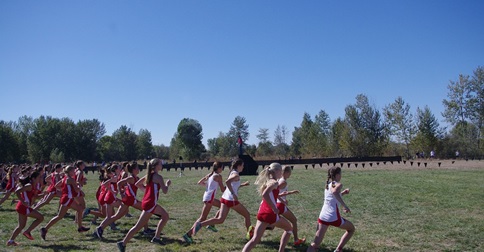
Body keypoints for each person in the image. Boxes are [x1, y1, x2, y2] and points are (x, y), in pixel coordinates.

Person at [189, 158, 253, 241]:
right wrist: (234, 195)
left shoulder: (232, 173)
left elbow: (233, 186)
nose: (243, 167)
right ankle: (251, 237)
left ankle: (201, 224)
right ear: (239, 166)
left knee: (220, 219)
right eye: (243, 165)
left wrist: (243, 185)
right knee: (247, 215)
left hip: (224, 198)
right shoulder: (236, 175)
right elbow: (228, 182)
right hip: (231, 200)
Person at [117, 158, 171, 252]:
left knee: (165, 216)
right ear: (156, 166)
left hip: (149, 202)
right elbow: (165, 191)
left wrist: (146, 191)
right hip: (150, 204)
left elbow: (138, 184)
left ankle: (156, 238)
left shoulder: (148, 175)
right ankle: (122, 243)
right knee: (138, 226)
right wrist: (167, 184)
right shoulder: (158, 177)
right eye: (160, 163)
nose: (162, 164)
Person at [94, 162, 154, 239]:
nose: (139, 169)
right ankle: (146, 229)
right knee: (145, 210)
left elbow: (142, 188)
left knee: (117, 216)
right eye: (137, 168)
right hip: (129, 199)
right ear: (134, 170)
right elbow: (119, 183)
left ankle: (100, 228)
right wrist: (122, 194)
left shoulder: (137, 178)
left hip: (129, 199)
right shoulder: (131, 178)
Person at [242, 163, 293, 252]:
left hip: (262, 212)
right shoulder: (274, 182)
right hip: (270, 213)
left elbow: (270, 195)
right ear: (277, 171)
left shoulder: (268, 181)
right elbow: (265, 194)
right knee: (289, 228)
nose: (282, 173)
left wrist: (281, 195)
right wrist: (274, 207)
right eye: (281, 171)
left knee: (255, 239)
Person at [307, 166, 355, 252]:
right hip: (333, 216)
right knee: (351, 229)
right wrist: (345, 206)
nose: (341, 176)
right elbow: (334, 192)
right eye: (340, 174)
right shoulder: (338, 184)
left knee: (315, 243)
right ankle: (338, 249)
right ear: (337, 175)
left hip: (323, 216)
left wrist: (343, 193)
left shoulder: (329, 184)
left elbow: (332, 196)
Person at [40, 165, 90, 240]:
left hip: (67, 198)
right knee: (60, 216)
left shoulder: (64, 178)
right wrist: (80, 185)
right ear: (69, 172)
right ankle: (44, 229)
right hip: (67, 199)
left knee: (80, 209)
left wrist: (64, 190)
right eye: (73, 171)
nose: (74, 172)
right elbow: (76, 190)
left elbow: (56, 185)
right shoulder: (71, 179)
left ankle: (80, 227)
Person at [182, 161, 226, 243]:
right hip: (209, 198)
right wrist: (231, 187)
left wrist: (206, 181)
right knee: (202, 218)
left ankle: (211, 224)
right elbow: (223, 189)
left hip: (208, 197)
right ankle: (188, 235)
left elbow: (200, 182)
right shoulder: (218, 176)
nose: (222, 169)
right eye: (222, 167)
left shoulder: (211, 175)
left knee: (223, 206)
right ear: (219, 168)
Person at [6, 171, 44, 246]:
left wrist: (44, 194)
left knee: (21, 226)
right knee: (40, 218)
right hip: (24, 207)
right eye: (39, 177)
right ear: (33, 178)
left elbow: (35, 197)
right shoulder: (29, 185)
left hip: (23, 207)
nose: (40, 179)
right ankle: (27, 232)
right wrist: (23, 201)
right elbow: (17, 192)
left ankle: (10, 241)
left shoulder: (33, 186)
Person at [275, 165, 305, 246]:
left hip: (278, 204)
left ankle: (256, 232)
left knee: (271, 225)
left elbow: (278, 193)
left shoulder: (280, 180)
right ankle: (296, 240)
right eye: (290, 173)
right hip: (280, 205)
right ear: (286, 172)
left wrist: (285, 197)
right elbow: (275, 193)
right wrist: (283, 201)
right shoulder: (283, 182)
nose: (290, 175)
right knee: (294, 220)